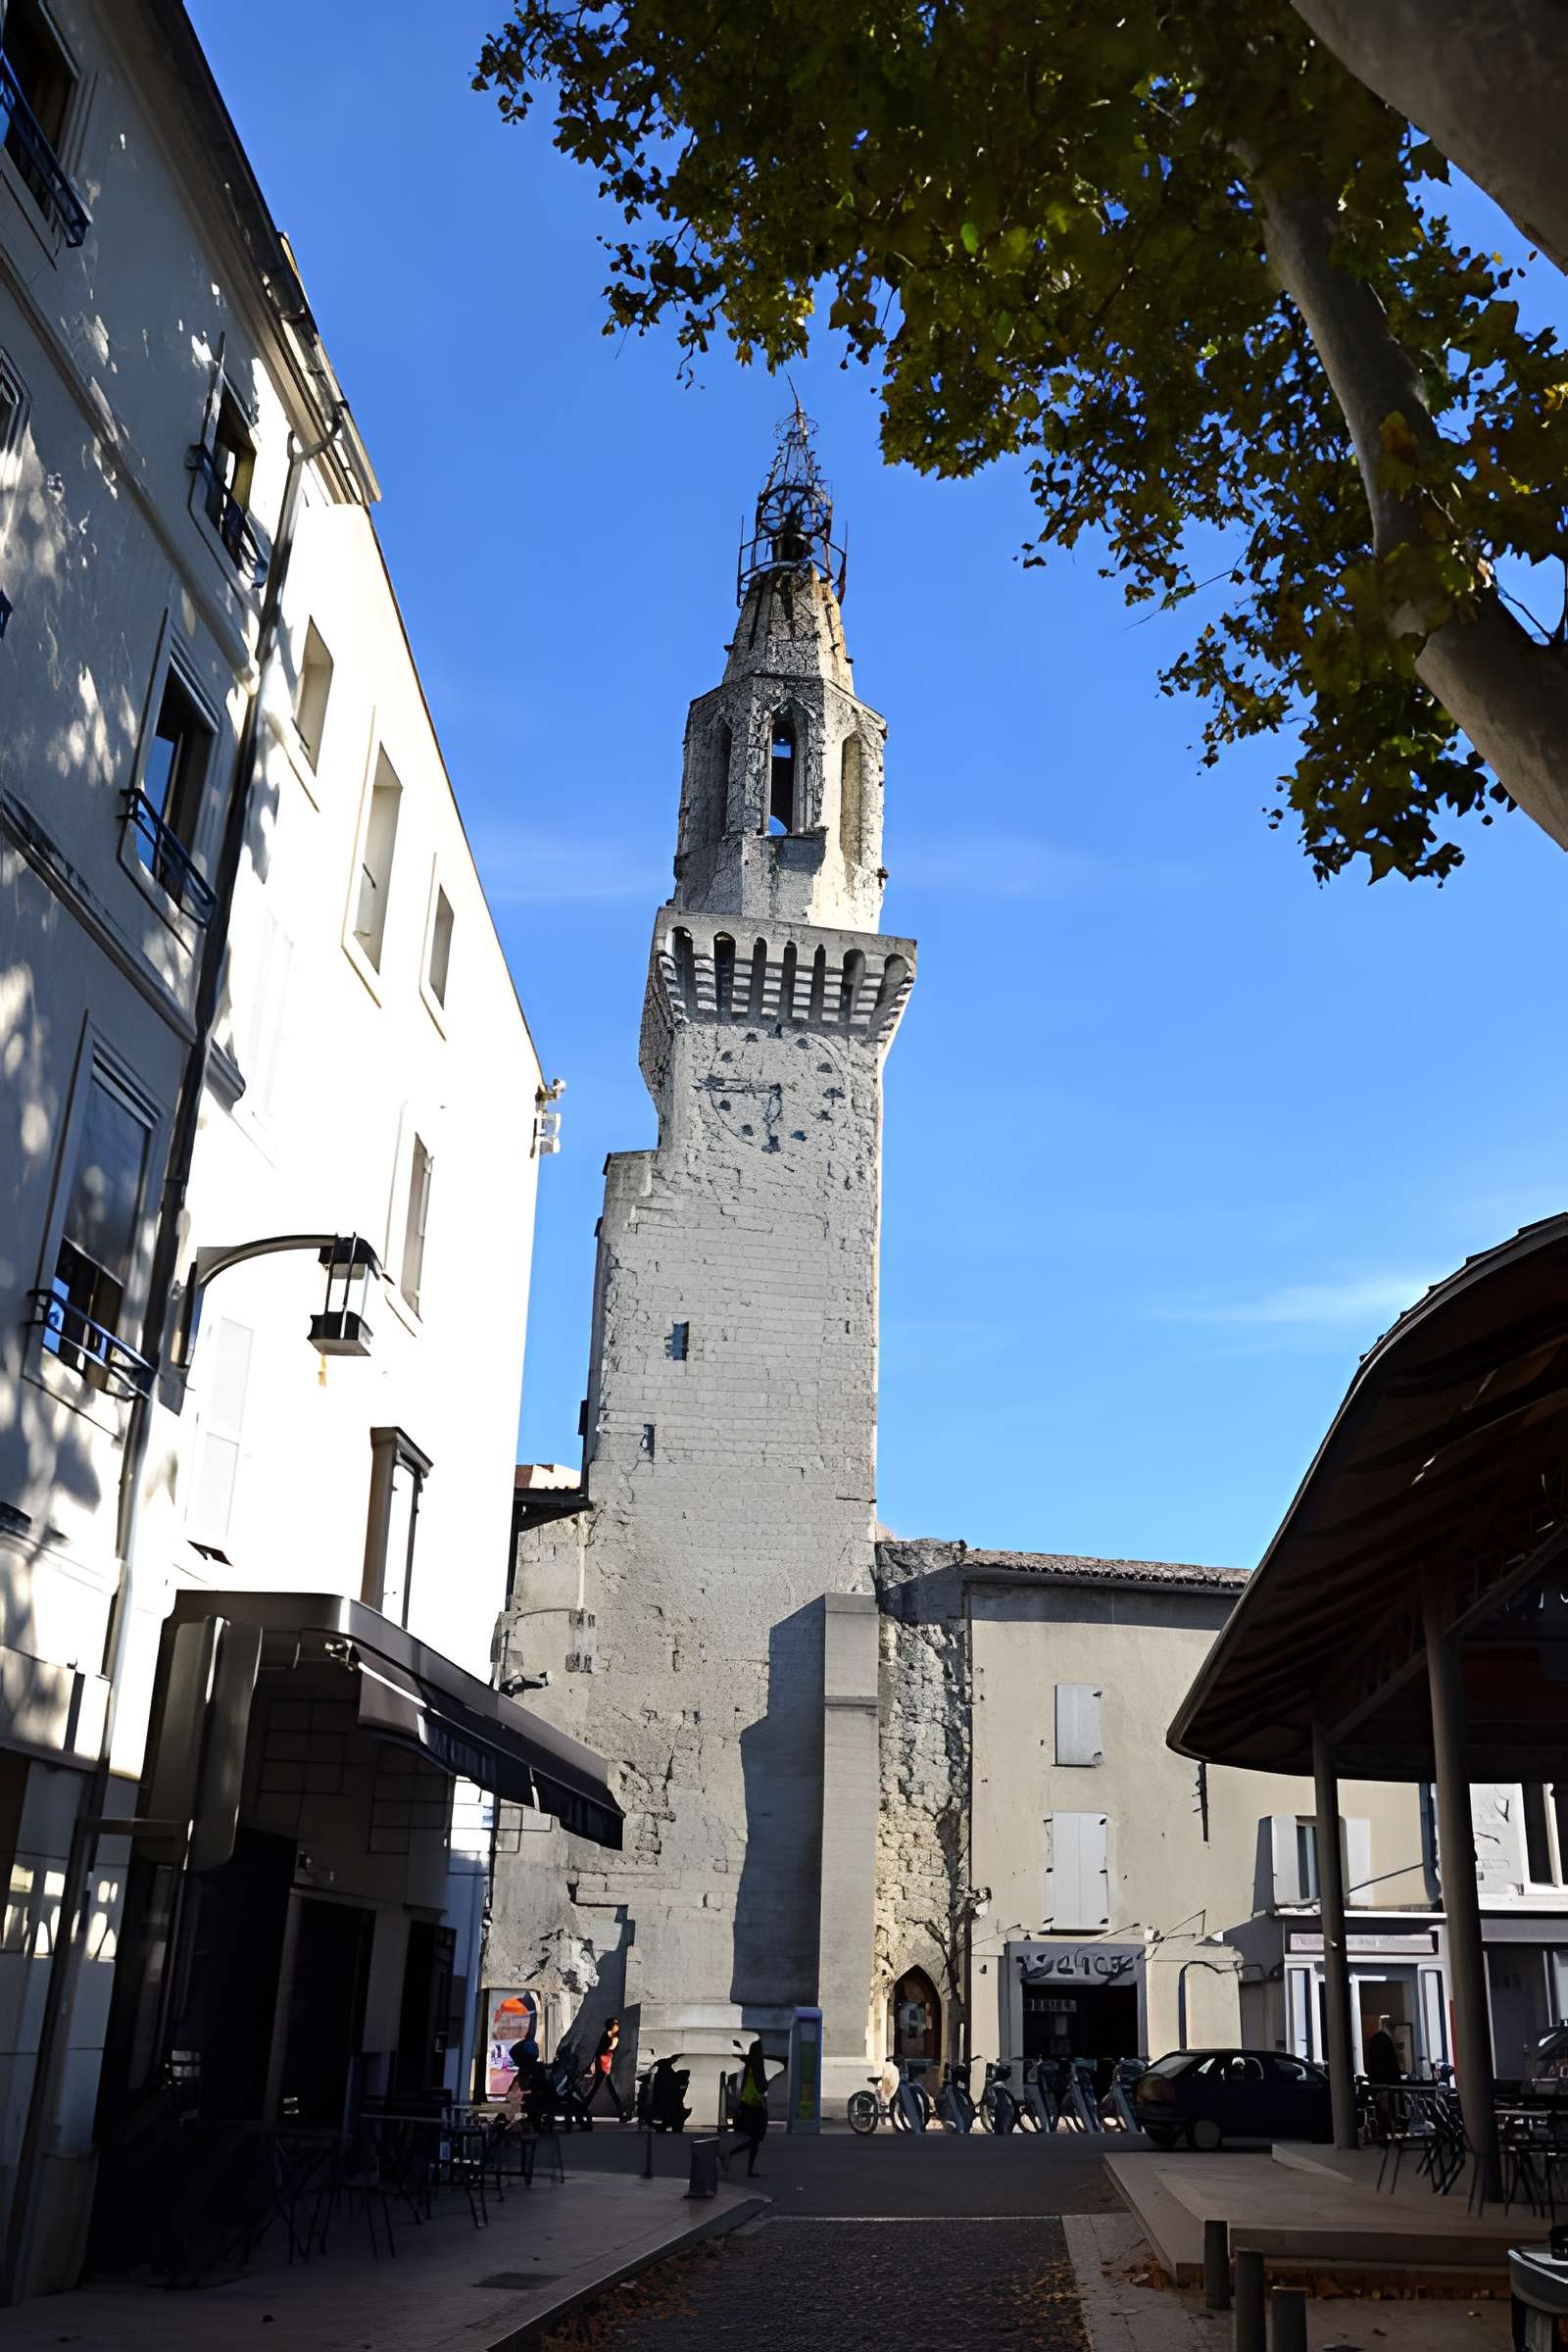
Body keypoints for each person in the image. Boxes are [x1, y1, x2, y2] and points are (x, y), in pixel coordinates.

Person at [720, 2040, 770, 2178]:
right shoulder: (757, 2063)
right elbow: (762, 2085)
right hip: (755, 2103)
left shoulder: (749, 2063)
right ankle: (730, 2154)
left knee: (755, 2138)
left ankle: (748, 2170)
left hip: (747, 2102)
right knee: (757, 2137)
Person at [582, 2017, 628, 2120]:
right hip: (604, 2064)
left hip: (604, 2063)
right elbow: (611, 2047)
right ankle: (583, 2108)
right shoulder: (609, 2035)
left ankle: (583, 2108)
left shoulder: (608, 2035)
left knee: (603, 2088)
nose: (617, 2026)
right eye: (615, 2024)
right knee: (602, 2088)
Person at [1365, 2015, 1403, 2085]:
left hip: (1385, 2079)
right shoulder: (1380, 2039)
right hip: (1385, 2081)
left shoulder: (1383, 2038)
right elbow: (1379, 2063)